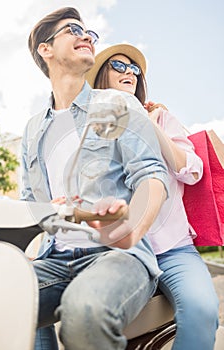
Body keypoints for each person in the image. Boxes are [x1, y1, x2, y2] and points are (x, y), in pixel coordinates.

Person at [21, 8, 169, 350]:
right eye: (74, 30)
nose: (87, 36)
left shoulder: (116, 104)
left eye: (90, 32)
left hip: (117, 256)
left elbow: (151, 174)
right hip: (53, 259)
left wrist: (130, 228)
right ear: (46, 49)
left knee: (85, 311)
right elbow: (31, 203)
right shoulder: (32, 130)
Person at [85, 43, 219, 350]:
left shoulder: (160, 119)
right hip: (118, 251)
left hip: (172, 250)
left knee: (202, 310)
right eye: (119, 66)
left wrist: (145, 121)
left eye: (134, 69)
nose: (129, 72)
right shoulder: (87, 131)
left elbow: (192, 169)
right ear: (101, 76)